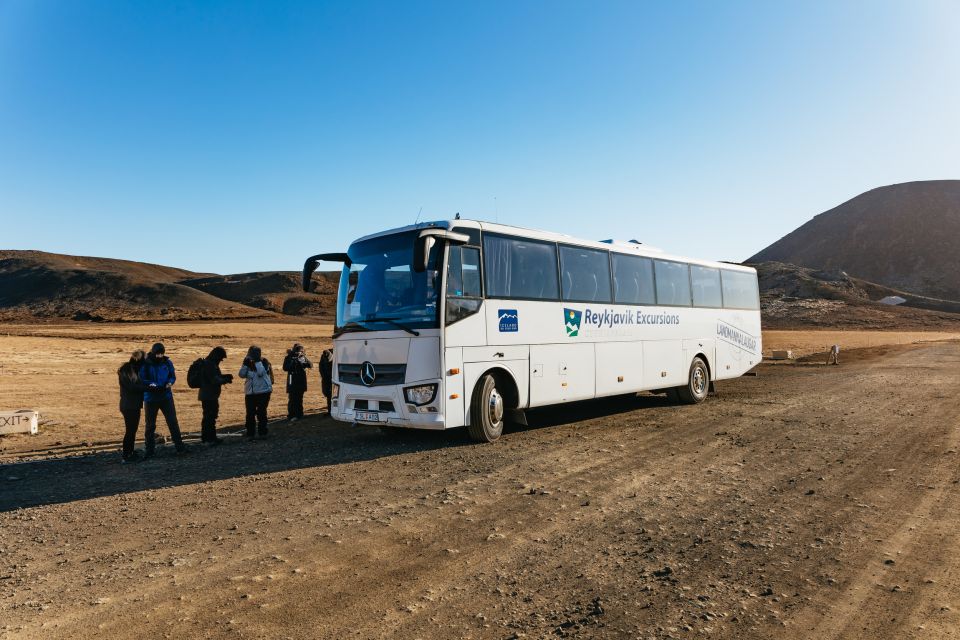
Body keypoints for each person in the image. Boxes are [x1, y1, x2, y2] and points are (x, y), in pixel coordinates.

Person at [139, 342, 187, 456]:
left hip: (166, 396)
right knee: (150, 425)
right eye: (158, 354)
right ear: (153, 352)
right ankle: (149, 450)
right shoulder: (146, 364)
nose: (160, 356)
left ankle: (180, 447)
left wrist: (170, 382)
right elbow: (142, 378)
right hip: (151, 398)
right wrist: (152, 384)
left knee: (173, 422)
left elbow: (172, 376)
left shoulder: (167, 362)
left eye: (161, 354)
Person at [198, 346, 233, 444]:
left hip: (208, 395)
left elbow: (214, 377)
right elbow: (214, 380)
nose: (221, 360)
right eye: (221, 357)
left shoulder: (210, 363)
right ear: (217, 356)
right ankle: (209, 438)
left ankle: (208, 438)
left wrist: (224, 377)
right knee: (210, 417)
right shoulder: (210, 364)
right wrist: (225, 380)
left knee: (209, 417)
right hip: (209, 396)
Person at [118, 349, 147, 463]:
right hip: (130, 405)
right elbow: (132, 387)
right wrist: (148, 387)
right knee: (130, 430)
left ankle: (129, 452)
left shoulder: (129, 369)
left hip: (130, 404)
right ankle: (127, 455)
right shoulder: (128, 370)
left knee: (132, 430)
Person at [239, 346, 273, 440]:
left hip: (263, 391)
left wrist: (257, 361)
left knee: (261, 413)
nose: (251, 355)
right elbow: (241, 374)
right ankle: (250, 433)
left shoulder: (264, 362)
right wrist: (245, 365)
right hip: (250, 392)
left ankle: (262, 433)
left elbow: (261, 373)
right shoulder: (248, 362)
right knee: (250, 414)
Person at [282, 343, 312, 421]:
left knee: (299, 398)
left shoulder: (303, 357)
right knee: (292, 399)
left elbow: (310, 365)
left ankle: (299, 414)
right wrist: (292, 359)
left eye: (300, 351)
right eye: (298, 350)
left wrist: (303, 361)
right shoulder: (289, 357)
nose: (299, 352)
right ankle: (291, 415)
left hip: (301, 381)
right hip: (292, 381)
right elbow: (285, 368)